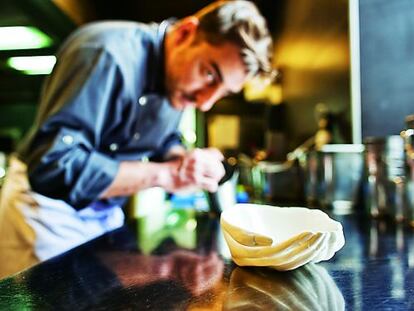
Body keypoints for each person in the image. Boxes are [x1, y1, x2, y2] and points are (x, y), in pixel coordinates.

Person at [0, 0, 273, 278]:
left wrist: (183, 160)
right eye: (209, 74)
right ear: (185, 33)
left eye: (223, 92)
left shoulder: (177, 83)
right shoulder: (104, 52)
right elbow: (53, 166)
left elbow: (164, 140)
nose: (205, 102)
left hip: (104, 214)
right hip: (44, 212)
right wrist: (165, 175)